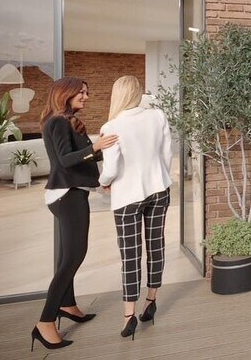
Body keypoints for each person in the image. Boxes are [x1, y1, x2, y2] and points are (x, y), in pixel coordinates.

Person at [32, 78, 118, 351]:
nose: (86, 96)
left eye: (87, 92)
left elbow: (80, 158)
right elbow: (65, 160)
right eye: (81, 92)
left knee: (67, 256)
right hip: (67, 195)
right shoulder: (57, 122)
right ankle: (45, 322)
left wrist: (101, 166)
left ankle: (67, 304)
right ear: (65, 94)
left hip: (72, 193)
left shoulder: (68, 122)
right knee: (73, 257)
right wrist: (95, 147)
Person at [98, 76, 173, 339]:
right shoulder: (158, 116)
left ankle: (129, 316)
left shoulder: (111, 126)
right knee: (156, 245)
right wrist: (161, 176)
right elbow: (167, 154)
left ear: (117, 94)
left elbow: (110, 169)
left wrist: (104, 182)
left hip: (128, 196)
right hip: (159, 189)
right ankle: (151, 301)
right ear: (138, 93)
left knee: (130, 255)